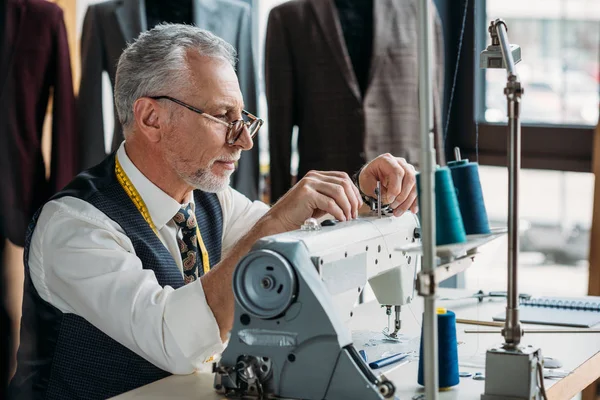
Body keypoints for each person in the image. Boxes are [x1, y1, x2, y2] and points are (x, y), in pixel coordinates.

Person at [9, 24, 418, 399]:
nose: (244, 141)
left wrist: (365, 201)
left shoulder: (208, 198)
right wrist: (278, 217)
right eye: (223, 117)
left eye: (244, 120)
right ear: (151, 118)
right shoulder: (75, 225)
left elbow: (302, 240)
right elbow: (174, 341)